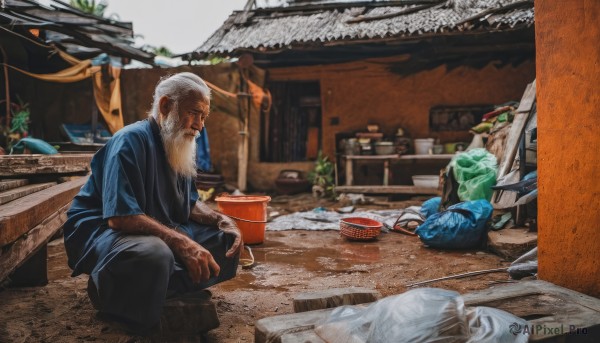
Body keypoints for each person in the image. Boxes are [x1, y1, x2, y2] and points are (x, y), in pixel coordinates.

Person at [63, 72, 242, 334]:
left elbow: (189, 203)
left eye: (204, 117)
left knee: (227, 241)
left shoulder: (178, 143)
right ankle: (115, 293)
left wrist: (221, 219)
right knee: (155, 255)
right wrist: (182, 243)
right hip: (107, 232)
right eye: (194, 113)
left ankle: (144, 291)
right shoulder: (130, 140)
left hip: (154, 229)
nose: (200, 126)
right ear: (166, 106)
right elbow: (120, 217)